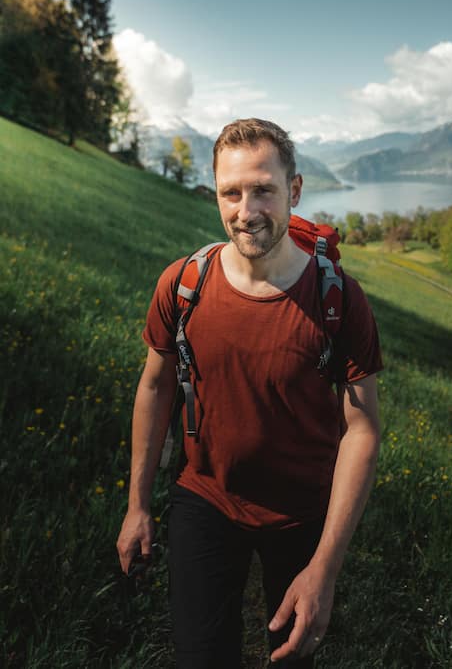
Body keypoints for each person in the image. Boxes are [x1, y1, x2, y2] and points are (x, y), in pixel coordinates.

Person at [117, 118, 382, 668]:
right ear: (215, 193)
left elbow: (362, 430)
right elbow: (155, 386)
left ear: (295, 191)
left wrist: (325, 568)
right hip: (204, 497)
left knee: (290, 657)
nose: (247, 211)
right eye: (231, 193)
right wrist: (137, 505)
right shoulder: (183, 285)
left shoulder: (339, 301)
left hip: (302, 512)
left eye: (263, 190)